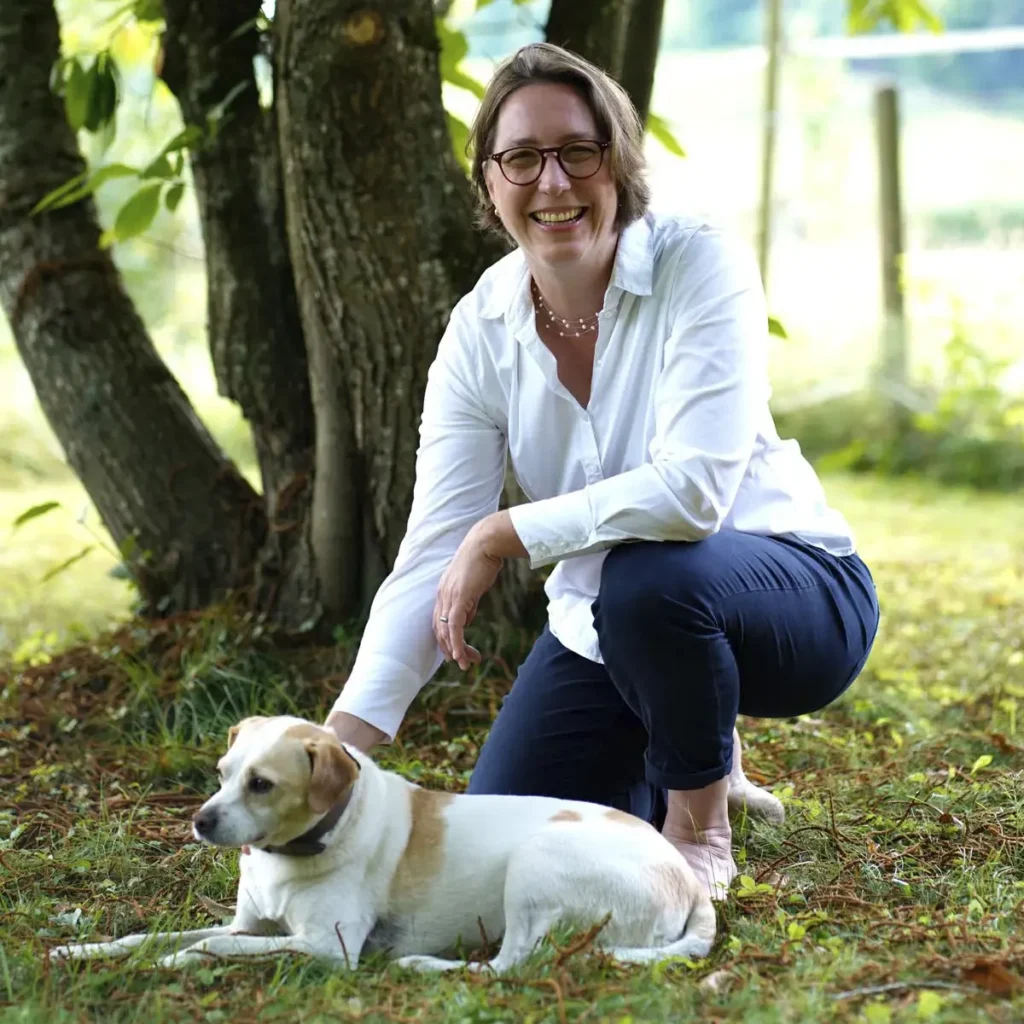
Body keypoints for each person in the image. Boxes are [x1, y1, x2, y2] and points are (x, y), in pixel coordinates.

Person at [325, 42, 879, 899]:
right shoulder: (480, 331)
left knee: (650, 578)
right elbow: (434, 552)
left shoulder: (699, 264)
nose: (553, 182)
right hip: (607, 627)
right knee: (504, 836)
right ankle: (692, 746)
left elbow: (692, 494)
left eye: (577, 151)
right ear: (488, 183)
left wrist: (508, 531)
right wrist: (332, 749)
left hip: (797, 595)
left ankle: (700, 826)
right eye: (521, 158)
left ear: (617, 161)